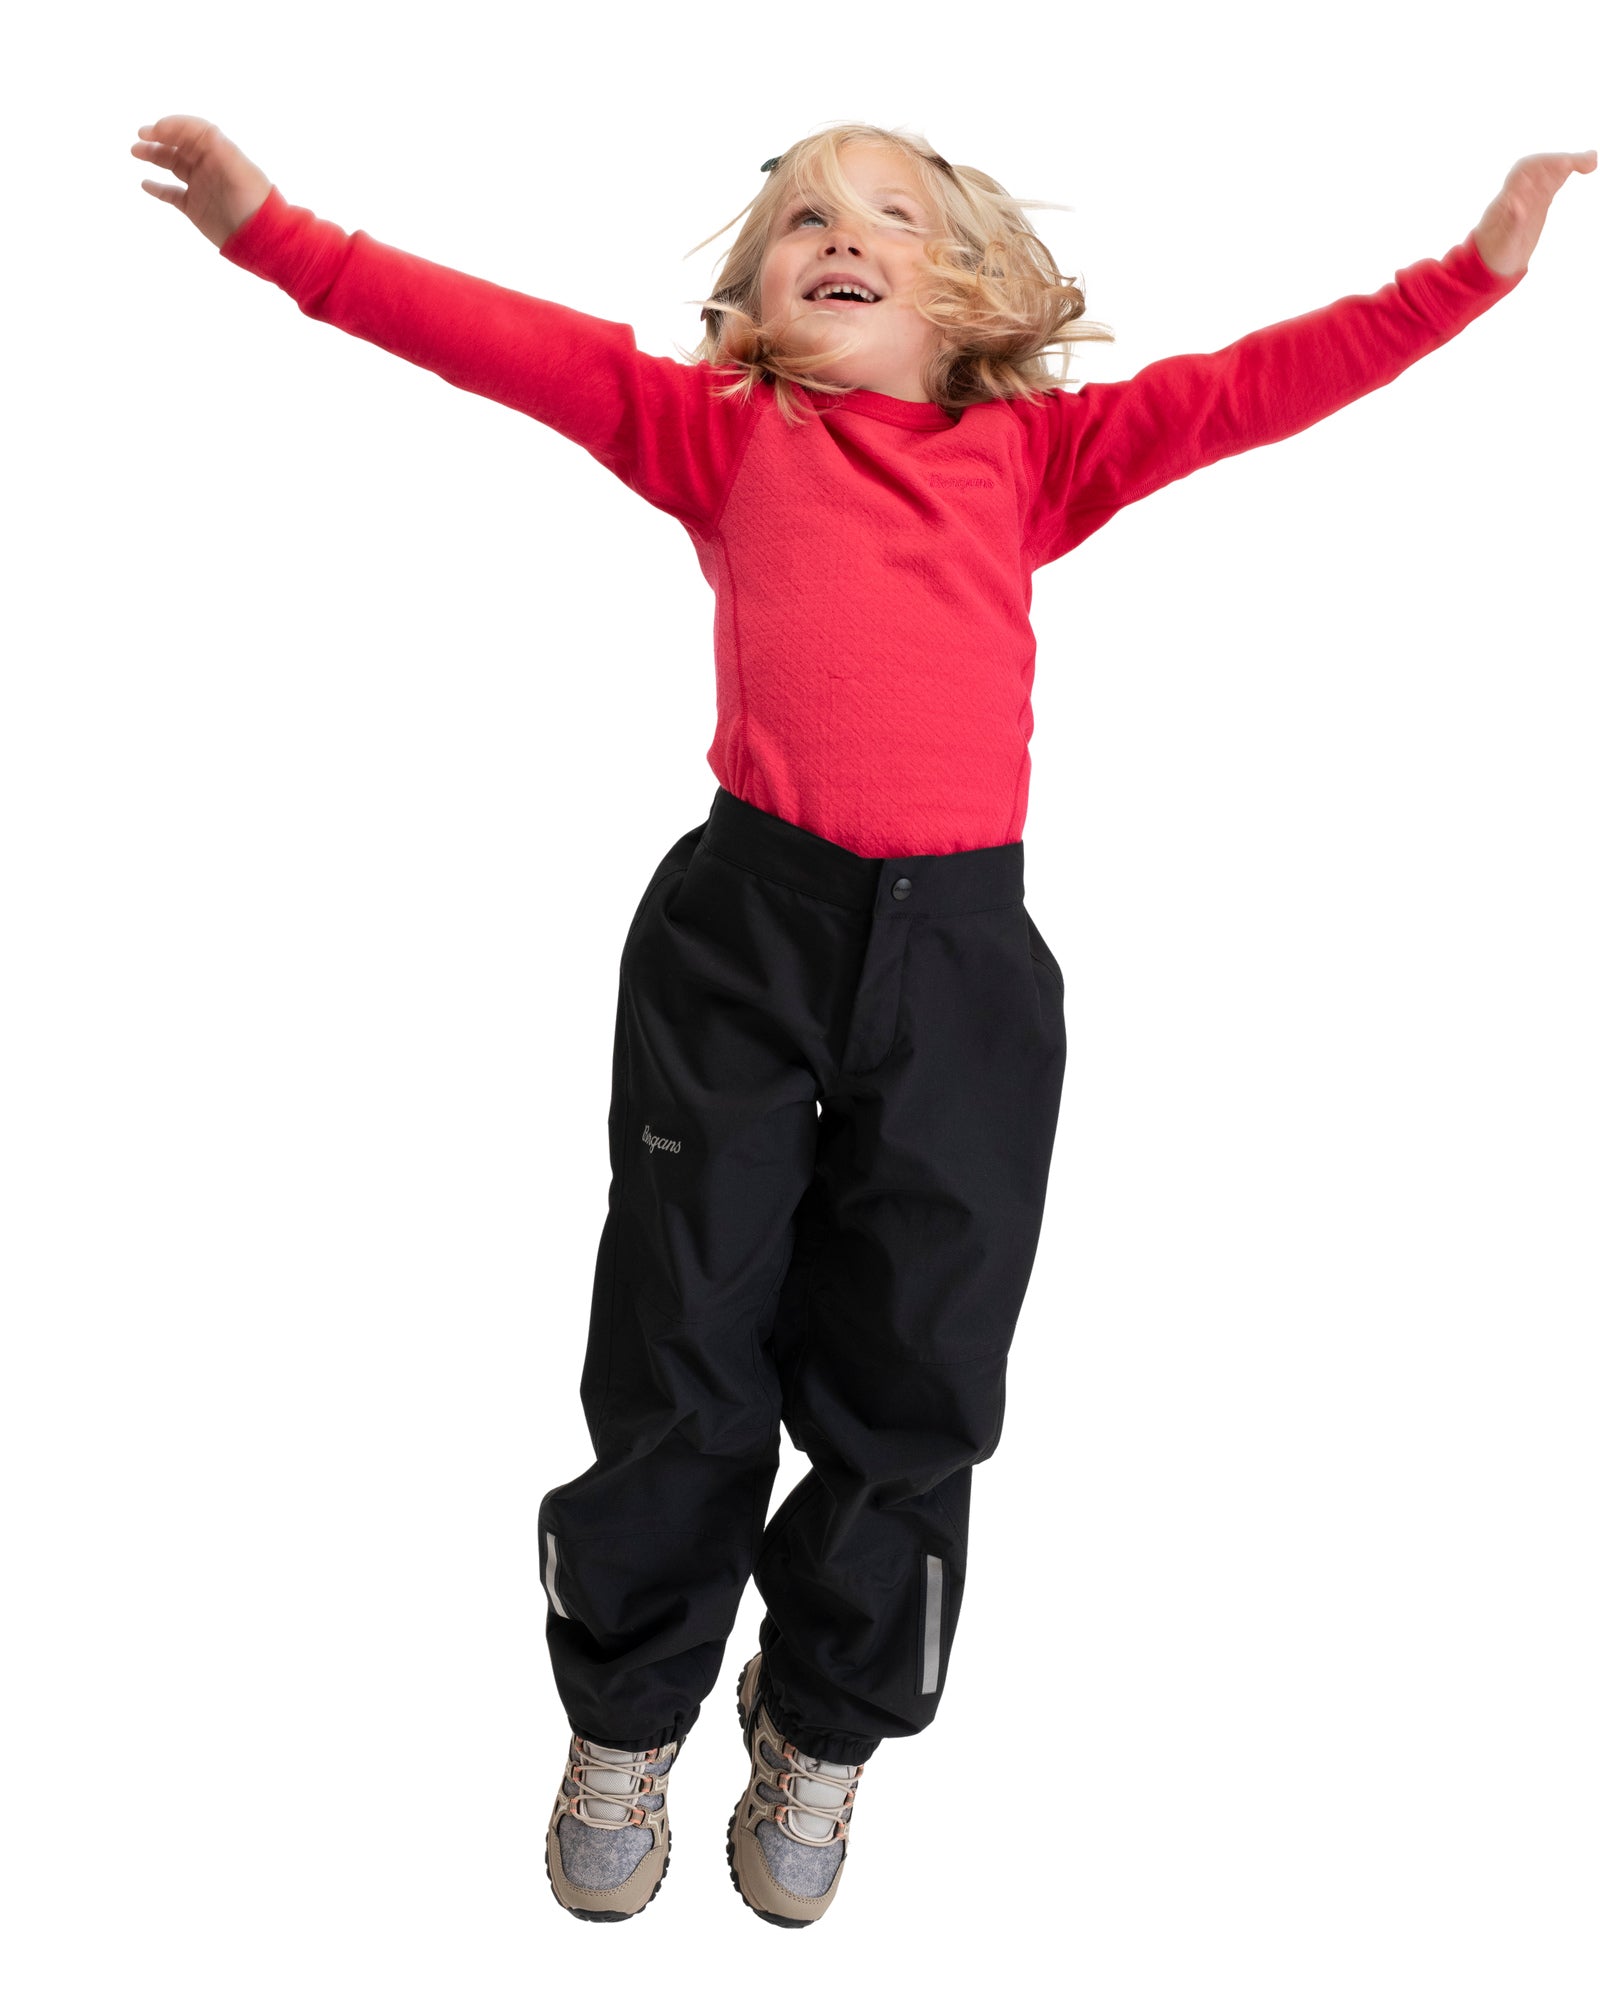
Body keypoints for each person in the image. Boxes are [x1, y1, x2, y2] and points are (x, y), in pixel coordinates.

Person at [131, 112, 1593, 1928]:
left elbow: (1252, 389)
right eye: (802, 218)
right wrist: (272, 232)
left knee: (920, 1377)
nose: (841, 233)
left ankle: (822, 1723)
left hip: (964, 973)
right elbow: (492, 338)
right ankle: (627, 1709)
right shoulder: (719, 430)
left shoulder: (1036, 458)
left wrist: (1471, 274)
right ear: (750, 299)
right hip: (746, 939)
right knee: (682, 1345)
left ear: (962, 290)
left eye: (891, 215)